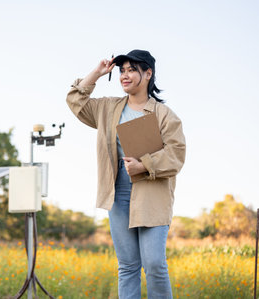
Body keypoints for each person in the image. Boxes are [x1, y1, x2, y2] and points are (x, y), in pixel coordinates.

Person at [66, 49, 186, 299]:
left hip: (152, 194)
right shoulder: (108, 108)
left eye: (132, 70)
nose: (125, 75)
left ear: (148, 73)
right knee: (128, 265)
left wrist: (144, 165)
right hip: (118, 193)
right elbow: (75, 101)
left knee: (154, 263)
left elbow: (176, 155)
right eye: (122, 70)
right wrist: (97, 73)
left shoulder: (165, 115)